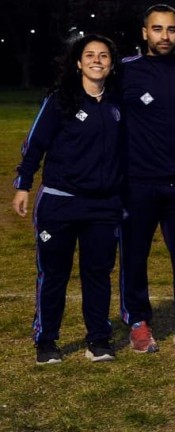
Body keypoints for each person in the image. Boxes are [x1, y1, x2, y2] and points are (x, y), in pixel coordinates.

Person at [14, 35, 124, 364]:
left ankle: (99, 339)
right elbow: (35, 143)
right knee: (54, 274)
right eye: (89, 55)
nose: (96, 60)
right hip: (60, 202)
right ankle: (46, 341)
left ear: (111, 64)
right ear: (78, 63)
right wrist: (23, 184)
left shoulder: (118, 104)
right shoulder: (60, 100)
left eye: (103, 55)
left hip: (103, 205)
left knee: (98, 273)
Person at [118, 4, 175, 353]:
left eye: (171, 29)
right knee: (134, 254)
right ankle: (138, 321)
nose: (164, 36)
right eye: (157, 29)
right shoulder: (125, 70)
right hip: (138, 181)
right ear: (145, 32)